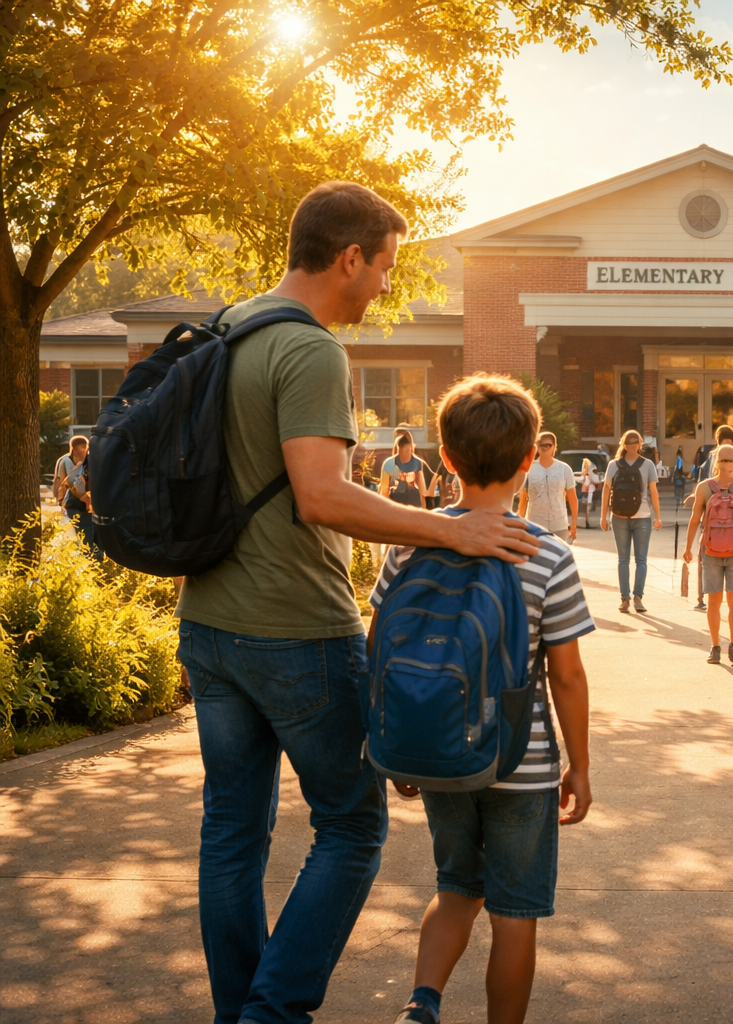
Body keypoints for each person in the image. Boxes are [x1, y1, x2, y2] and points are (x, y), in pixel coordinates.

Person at [175, 181, 540, 1024]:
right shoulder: (309, 353)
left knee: (232, 835)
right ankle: (274, 1014)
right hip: (293, 628)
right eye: (384, 267)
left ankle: (244, 1011)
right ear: (348, 258)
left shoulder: (231, 326)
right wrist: (451, 532)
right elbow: (321, 496)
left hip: (210, 623)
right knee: (350, 827)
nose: (385, 285)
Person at [370, 375, 594, 1024]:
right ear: (531, 459)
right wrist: (578, 765)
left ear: (445, 459)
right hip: (520, 764)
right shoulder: (545, 554)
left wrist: (399, 740)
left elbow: (381, 645)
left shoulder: (411, 541)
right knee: (515, 912)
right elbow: (568, 676)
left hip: (440, 747)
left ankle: (421, 1004)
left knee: (456, 886)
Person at [683, 444, 733, 664]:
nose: (727, 464)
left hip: (711, 550)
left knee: (713, 601)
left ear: (715, 463)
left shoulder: (704, 488)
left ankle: (715, 647)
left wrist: (688, 548)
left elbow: (695, 520)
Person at [601, 429, 663, 614]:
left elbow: (606, 490)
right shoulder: (648, 464)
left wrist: (603, 516)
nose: (633, 446)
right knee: (641, 560)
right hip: (641, 516)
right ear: (639, 444)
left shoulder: (614, 464)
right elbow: (653, 492)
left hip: (620, 516)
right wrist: (657, 516)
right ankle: (637, 598)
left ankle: (625, 599)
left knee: (623, 560)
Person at [517, 432, 577, 543]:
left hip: (559, 524)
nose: (544, 448)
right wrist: (520, 521)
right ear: (537, 447)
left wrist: (574, 522)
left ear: (554, 446)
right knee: (537, 557)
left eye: (548, 445)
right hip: (535, 523)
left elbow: (572, 497)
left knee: (558, 557)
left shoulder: (564, 469)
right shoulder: (528, 469)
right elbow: (523, 499)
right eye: (541, 445)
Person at [53, 434, 92, 547]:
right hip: (73, 503)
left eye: (86, 447)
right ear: (74, 449)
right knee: (78, 533)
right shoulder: (66, 461)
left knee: (84, 533)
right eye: (82, 447)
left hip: (84, 504)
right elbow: (69, 482)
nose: (85, 450)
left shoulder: (87, 461)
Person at [380, 429, 434, 508]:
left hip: (414, 508)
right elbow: (384, 491)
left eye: (408, 450)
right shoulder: (388, 463)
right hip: (395, 508)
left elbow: (422, 491)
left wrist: (423, 508)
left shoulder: (418, 463)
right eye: (405, 450)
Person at [578, 458, 597, 528]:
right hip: (586, 491)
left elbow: (586, 480)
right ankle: (586, 521)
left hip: (588, 491)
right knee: (586, 507)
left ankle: (587, 521)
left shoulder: (587, 473)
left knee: (587, 507)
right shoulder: (587, 473)